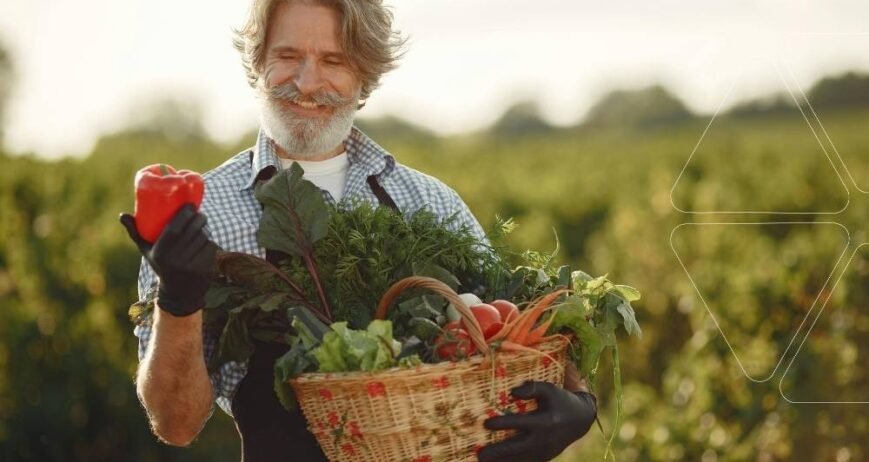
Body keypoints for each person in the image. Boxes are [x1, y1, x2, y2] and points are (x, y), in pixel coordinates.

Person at [119, 1, 597, 461]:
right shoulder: (202, 213)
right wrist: (179, 302)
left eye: (334, 60)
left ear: (365, 73)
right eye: (287, 56)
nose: (307, 82)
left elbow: (509, 327)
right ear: (258, 62)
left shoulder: (429, 203)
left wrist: (578, 400)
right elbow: (176, 425)